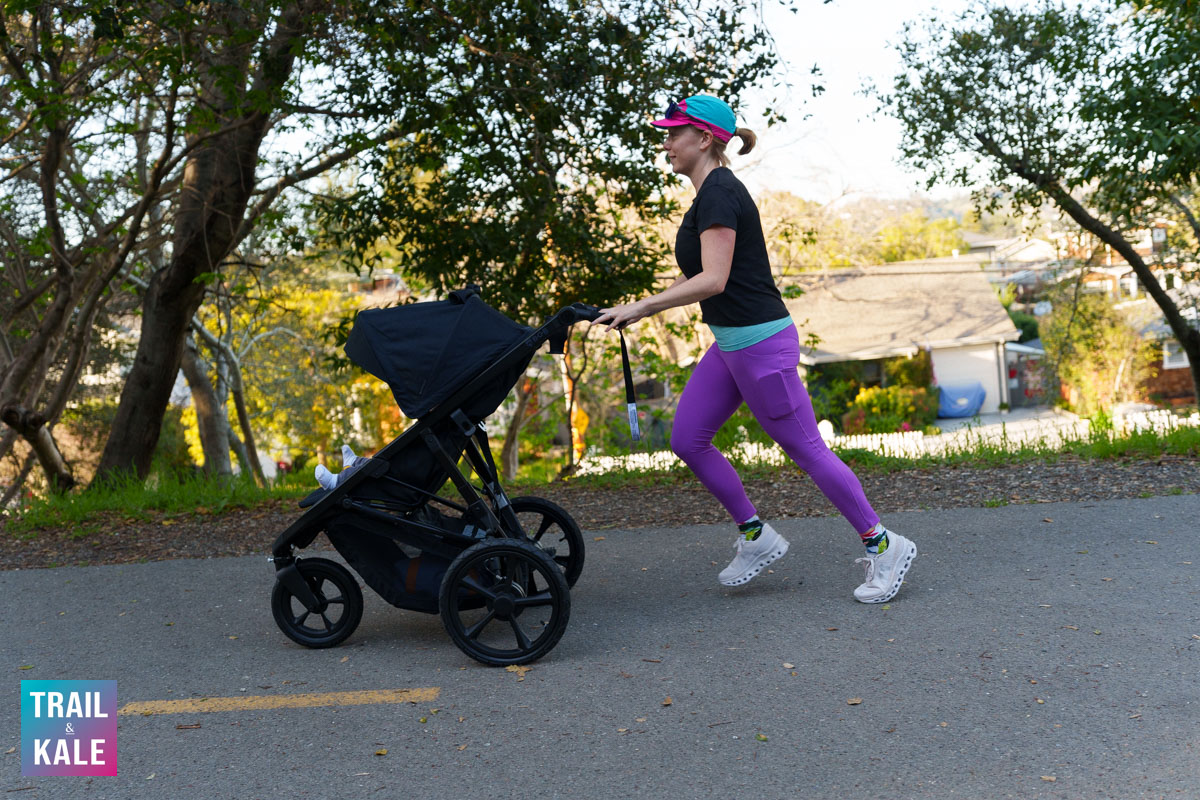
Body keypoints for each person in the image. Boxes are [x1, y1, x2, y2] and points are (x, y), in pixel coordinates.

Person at [593, 95, 916, 603]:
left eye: (675, 133)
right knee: (688, 439)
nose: (666, 143)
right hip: (731, 347)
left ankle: (884, 544)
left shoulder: (720, 192)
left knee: (806, 450)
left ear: (704, 139)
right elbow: (704, 273)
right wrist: (635, 306)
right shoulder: (707, 196)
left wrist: (645, 308)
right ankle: (755, 535)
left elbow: (714, 280)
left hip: (763, 347)